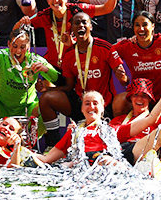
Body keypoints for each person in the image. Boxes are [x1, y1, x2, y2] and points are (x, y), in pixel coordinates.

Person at [38, 12, 129, 147]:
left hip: (104, 105)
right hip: (81, 104)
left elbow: (125, 81)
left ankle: (126, 141)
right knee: (46, 98)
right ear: (71, 28)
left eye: (84, 22)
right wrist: (49, 89)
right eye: (77, 23)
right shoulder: (69, 54)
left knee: (124, 100)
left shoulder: (105, 47)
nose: (81, 25)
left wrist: (122, 78)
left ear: (90, 27)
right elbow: (69, 87)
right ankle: (54, 144)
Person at [0, 28, 58, 134]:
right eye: (14, 46)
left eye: (23, 47)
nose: (18, 51)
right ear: (8, 44)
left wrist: (46, 69)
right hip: (2, 110)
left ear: (28, 47)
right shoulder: (1, 55)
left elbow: (57, 79)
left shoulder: (35, 60)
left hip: (28, 111)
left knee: (49, 104)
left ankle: (32, 143)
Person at [112, 11, 161, 119]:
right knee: (118, 102)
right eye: (137, 25)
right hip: (140, 98)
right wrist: (117, 68)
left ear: (153, 26)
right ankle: (118, 132)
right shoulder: (127, 45)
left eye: (145, 25)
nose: (141, 29)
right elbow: (107, 51)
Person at [36, 90, 127, 168]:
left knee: (108, 161)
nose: (91, 107)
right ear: (82, 109)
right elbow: (46, 159)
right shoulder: (74, 133)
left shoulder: (112, 130)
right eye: (87, 103)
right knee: (66, 165)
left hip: (106, 166)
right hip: (78, 168)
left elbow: (140, 125)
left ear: (102, 107)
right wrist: (23, 150)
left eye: (95, 103)